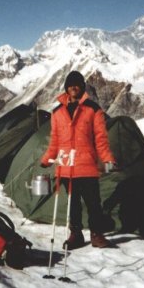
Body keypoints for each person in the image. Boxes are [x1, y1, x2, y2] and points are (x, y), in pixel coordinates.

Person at [40, 70, 116, 249]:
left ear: (82, 87)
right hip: (67, 165)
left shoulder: (93, 109)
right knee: (72, 204)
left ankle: (96, 234)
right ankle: (76, 234)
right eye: (70, 84)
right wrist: (47, 158)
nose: (73, 87)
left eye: (77, 84)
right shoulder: (57, 113)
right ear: (66, 87)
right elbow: (55, 140)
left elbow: (101, 138)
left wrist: (107, 159)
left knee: (93, 202)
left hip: (87, 164)